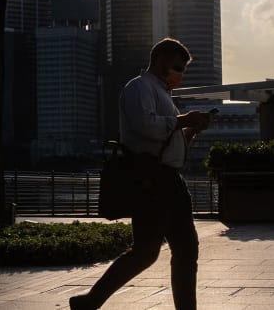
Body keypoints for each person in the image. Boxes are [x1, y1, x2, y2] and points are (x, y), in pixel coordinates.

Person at [70, 38, 212, 310]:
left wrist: (190, 131)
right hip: (151, 181)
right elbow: (146, 126)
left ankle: (91, 301)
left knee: (184, 249)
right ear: (159, 59)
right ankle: (90, 300)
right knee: (146, 252)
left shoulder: (161, 93)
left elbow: (166, 139)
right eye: (177, 67)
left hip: (169, 180)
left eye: (183, 70)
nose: (180, 74)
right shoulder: (139, 88)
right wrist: (184, 121)